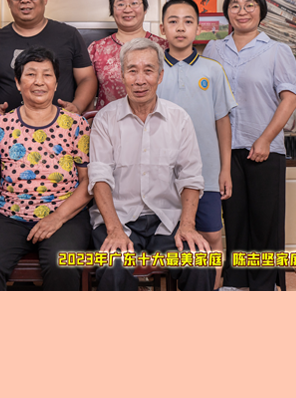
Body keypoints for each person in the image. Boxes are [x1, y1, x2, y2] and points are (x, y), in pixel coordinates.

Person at [88, 37, 214, 291]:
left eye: (148, 71)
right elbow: (99, 177)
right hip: (119, 217)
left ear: (160, 76)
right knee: (113, 267)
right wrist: (114, 229)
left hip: (166, 219)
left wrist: (188, 225)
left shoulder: (179, 119)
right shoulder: (105, 119)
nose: (140, 80)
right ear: (122, 75)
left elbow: (190, 176)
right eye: (132, 71)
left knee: (200, 262)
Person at [203, 0, 296, 291]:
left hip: (265, 149)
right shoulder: (214, 50)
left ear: (261, 10)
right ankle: (235, 281)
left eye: (249, 5)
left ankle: (263, 285)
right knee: (234, 217)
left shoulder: (277, 50)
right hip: (226, 149)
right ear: (227, 12)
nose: (242, 11)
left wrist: (265, 139)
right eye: (234, 5)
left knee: (265, 222)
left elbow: (289, 99)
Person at [0, 47, 92, 291]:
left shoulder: (76, 125)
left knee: (62, 263)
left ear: (56, 83)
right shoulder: (0, 125)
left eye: (47, 75)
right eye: (30, 74)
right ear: (18, 82)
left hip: (65, 215)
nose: (39, 81)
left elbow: (88, 181)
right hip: (9, 216)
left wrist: (57, 218)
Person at [157, 0, 237, 289]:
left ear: (198, 28)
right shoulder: (152, 70)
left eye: (188, 22)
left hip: (206, 171)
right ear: (162, 28)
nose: (180, 28)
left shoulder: (212, 70)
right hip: (162, 173)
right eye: (173, 21)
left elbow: (222, 121)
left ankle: (211, 294)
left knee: (211, 235)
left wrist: (225, 169)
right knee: (171, 237)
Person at [0, 0, 97, 115]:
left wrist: (77, 106)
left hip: (62, 124)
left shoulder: (69, 35)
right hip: (8, 126)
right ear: (8, 1)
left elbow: (87, 78)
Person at [88, 0, 167, 110]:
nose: (127, 9)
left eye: (134, 3)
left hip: (155, 120)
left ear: (145, 8)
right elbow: (88, 93)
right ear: (112, 10)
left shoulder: (164, 47)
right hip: (108, 120)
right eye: (121, 4)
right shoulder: (97, 49)